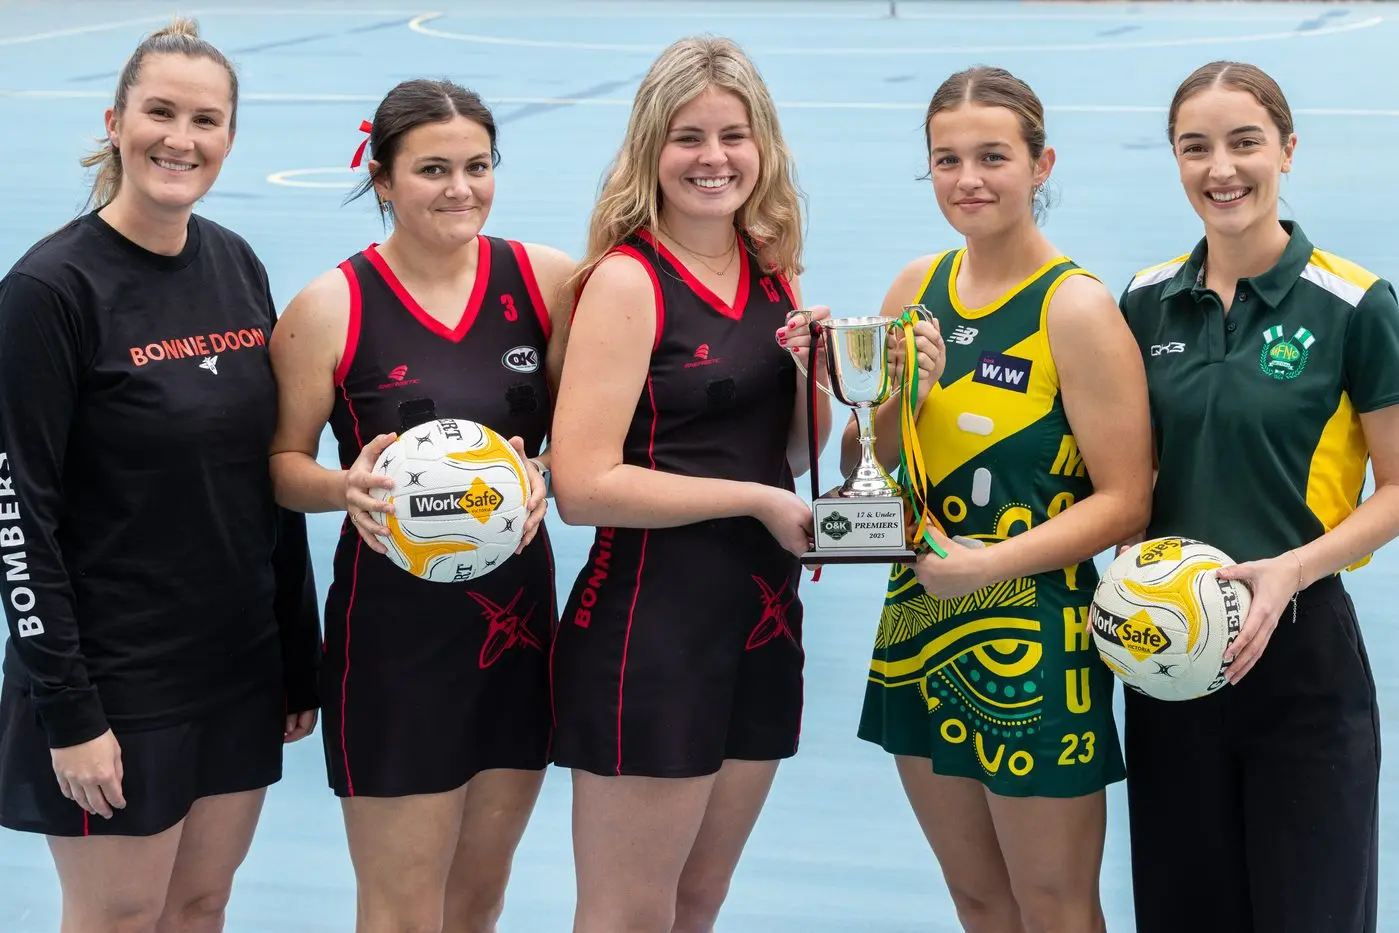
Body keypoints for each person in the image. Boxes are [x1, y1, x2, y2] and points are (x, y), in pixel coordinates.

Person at [0, 17, 322, 933]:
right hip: (115, 676)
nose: (181, 139)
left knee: (199, 906)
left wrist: (295, 654)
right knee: (120, 917)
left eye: (206, 120)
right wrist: (67, 708)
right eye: (159, 112)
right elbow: (18, 514)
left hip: (234, 663)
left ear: (229, 137)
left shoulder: (235, 263)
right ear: (114, 121)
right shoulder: (50, 291)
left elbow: (265, 473)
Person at [851, 66, 1154, 932]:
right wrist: (885, 400)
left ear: (1040, 163)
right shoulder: (914, 289)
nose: (967, 179)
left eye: (992, 157)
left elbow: (1127, 501)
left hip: (1036, 633)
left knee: (1054, 905)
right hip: (921, 623)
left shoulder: (1075, 308)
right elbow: (877, 462)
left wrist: (988, 564)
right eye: (946, 160)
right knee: (977, 900)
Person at [266, 78, 570, 933]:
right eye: (432, 169)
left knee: (476, 902)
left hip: (515, 628)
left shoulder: (544, 281)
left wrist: (542, 467)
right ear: (384, 179)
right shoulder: (329, 307)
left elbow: (598, 427)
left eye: (477, 165)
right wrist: (342, 487)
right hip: (394, 641)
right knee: (402, 911)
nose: (460, 188)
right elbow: (281, 465)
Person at [547, 35, 830, 933]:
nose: (713, 158)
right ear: (650, 150)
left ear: (763, 147)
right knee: (629, 912)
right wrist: (750, 500)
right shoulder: (630, 281)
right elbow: (582, 484)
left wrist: (822, 376)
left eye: (732, 136)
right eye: (687, 138)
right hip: (648, 629)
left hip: (758, 619)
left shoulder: (771, 268)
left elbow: (793, 451)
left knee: (697, 903)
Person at [1118, 60, 1399, 933]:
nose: (1220, 169)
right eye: (1194, 147)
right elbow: (1120, 474)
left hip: (1301, 658)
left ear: (1286, 148)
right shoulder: (1141, 302)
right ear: (1173, 159)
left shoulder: (1354, 304)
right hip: (1164, 656)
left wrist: (1289, 572)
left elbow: (1395, 486)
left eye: (1244, 142)